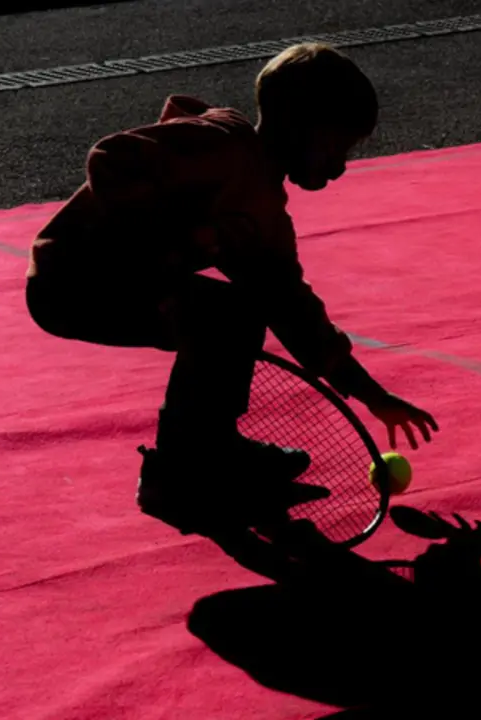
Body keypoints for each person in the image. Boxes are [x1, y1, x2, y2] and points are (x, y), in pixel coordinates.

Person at [24, 42, 438, 535]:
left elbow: (298, 315)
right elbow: (111, 160)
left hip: (115, 285)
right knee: (226, 316)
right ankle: (180, 471)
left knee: (242, 311)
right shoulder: (224, 145)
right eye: (335, 146)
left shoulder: (263, 216)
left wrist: (372, 396)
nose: (340, 165)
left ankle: (208, 452)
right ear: (293, 121)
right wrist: (179, 241)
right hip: (73, 279)